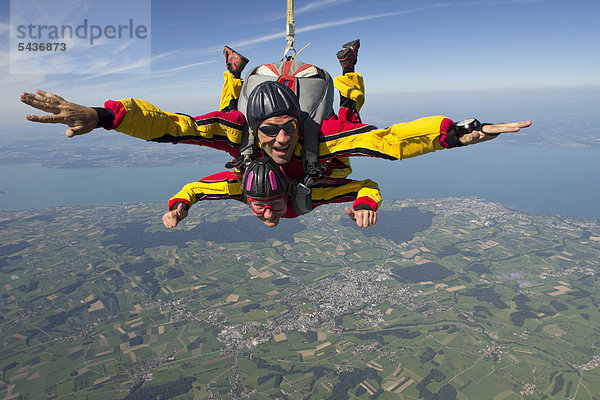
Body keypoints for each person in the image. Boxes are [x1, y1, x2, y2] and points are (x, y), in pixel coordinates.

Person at [19, 41, 532, 180]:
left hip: (302, 116)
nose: (282, 139)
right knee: (220, 115)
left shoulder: (314, 134)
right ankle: (236, 71)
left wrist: (457, 133)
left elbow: (391, 140)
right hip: (245, 116)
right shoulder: (239, 132)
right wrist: (104, 115)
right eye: (272, 133)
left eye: (285, 130)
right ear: (258, 130)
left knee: (349, 117)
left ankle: (342, 66)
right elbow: (171, 126)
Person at [162, 157, 380, 228]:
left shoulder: (309, 194)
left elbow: (365, 186)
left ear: (287, 195)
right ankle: (233, 74)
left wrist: (364, 204)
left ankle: (349, 72)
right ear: (248, 198)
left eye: (275, 204)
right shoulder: (243, 188)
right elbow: (195, 190)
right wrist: (179, 208)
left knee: (342, 169)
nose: (268, 214)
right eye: (259, 206)